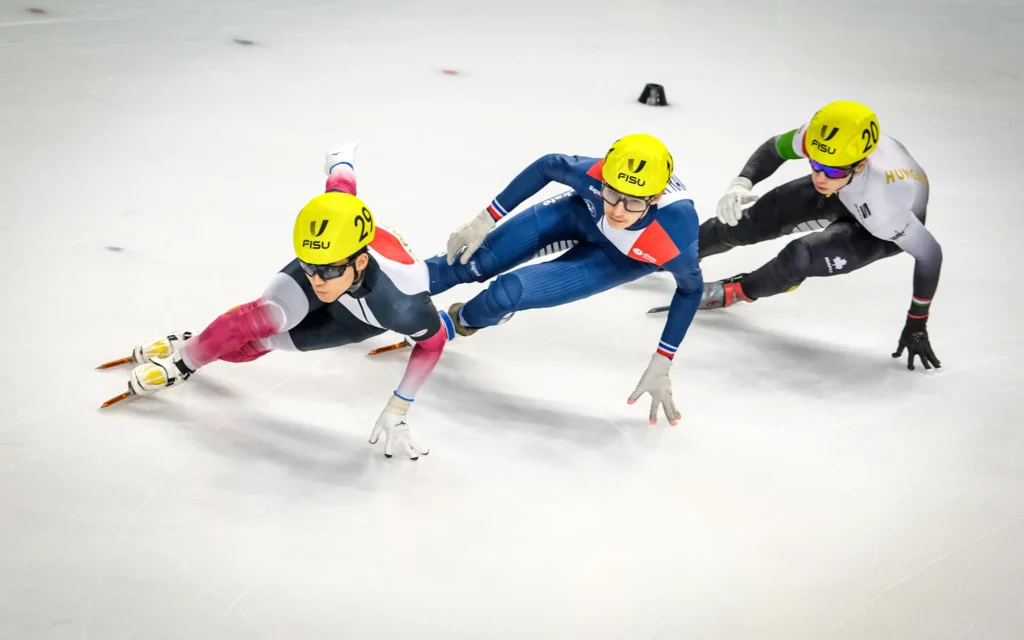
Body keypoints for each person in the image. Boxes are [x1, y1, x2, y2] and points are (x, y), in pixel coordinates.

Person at [102, 145, 454, 459]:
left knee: (259, 345)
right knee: (259, 319)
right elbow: (340, 187)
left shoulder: (404, 305)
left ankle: (195, 344)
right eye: (308, 268)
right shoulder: (328, 251)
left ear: (360, 261)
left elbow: (432, 344)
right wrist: (341, 158)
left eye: (326, 272)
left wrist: (398, 407)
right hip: (343, 262)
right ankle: (189, 351)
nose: (316, 282)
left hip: (360, 317)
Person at [428, 134, 703, 424]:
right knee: (470, 262)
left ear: (656, 197)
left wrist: (663, 359)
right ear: (604, 179)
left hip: (621, 258)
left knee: (506, 294)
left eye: (634, 202)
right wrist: (485, 219)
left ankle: (458, 322)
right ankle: (397, 287)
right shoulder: (596, 175)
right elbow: (548, 165)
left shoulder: (676, 230)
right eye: (612, 194)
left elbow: (691, 289)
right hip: (580, 215)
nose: (618, 211)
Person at [697, 101, 942, 371]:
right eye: (814, 164)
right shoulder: (824, 140)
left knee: (799, 256)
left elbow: (930, 254)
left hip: (878, 230)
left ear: (860, 165)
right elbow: (774, 148)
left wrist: (917, 320)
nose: (820, 177)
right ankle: (679, 252)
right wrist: (741, 183)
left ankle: (736, 291)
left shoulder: (887, 209)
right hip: (845, 192)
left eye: (833, 170)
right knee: (744, 223)